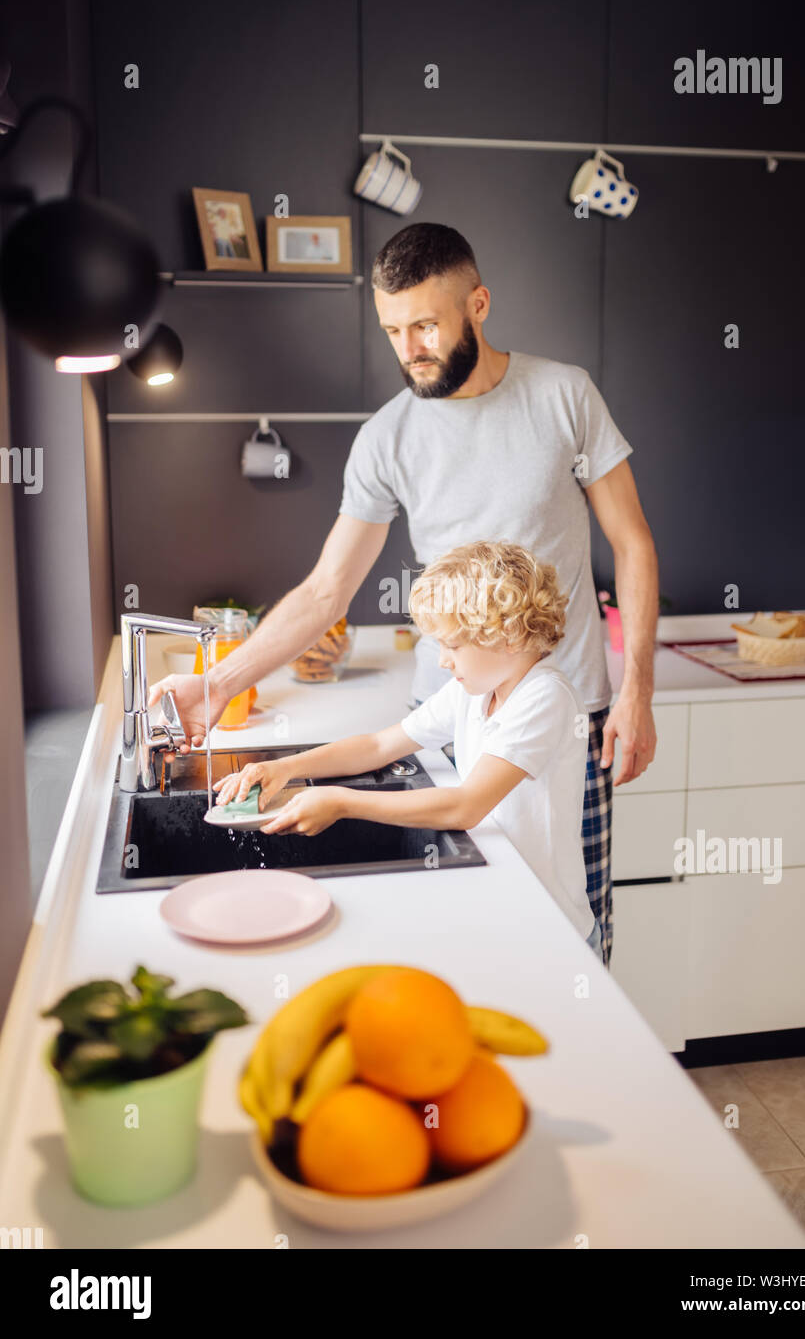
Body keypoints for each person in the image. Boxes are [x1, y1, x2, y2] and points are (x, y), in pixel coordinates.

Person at [149, 223, 659, 964]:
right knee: (456, 918)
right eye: (393, 328)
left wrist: (638, 685)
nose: (409, 347)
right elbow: (328, 589)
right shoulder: (387, 438)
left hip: (568, 704)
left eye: (426, 323)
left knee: (571, 918)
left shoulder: (562, 395)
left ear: (477, 305)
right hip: (446, 707)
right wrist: (215, 685)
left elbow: (633, 540)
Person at [213, 542, 603, 957]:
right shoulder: (474, 691)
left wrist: (342, 802)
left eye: (452, 646)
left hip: (550, 932)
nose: (443, 662)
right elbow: (379, 745)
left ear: (507, 636)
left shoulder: (544, 697)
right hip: (504, 907)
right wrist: (287, 768)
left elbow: (466, 806)